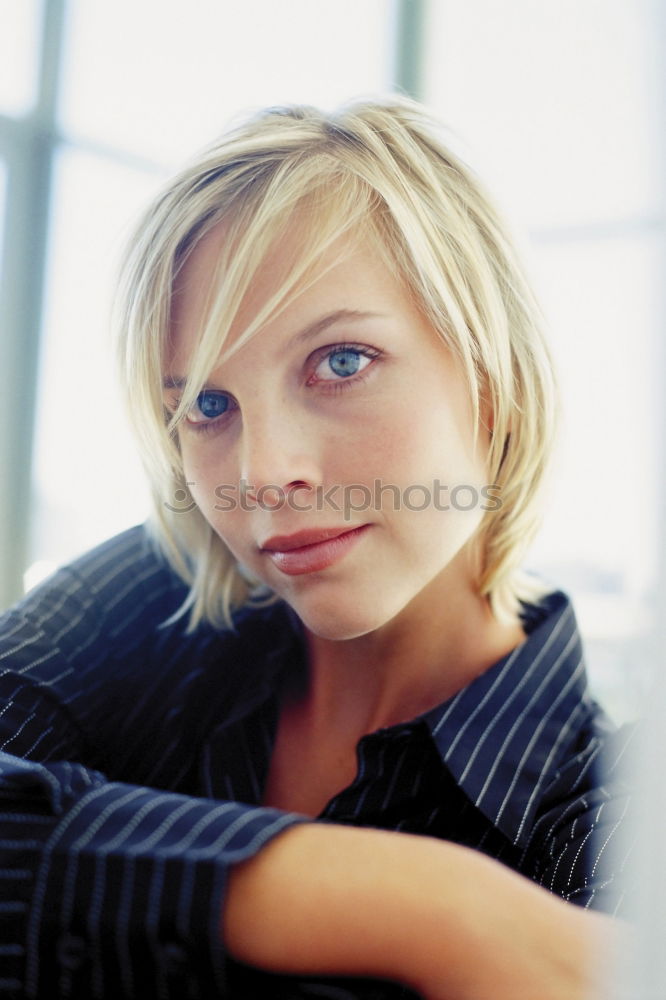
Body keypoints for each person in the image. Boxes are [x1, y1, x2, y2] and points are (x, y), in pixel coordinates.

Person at [0, 97, 632, 999]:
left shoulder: (607, 819)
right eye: (207, 407)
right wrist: (431, 909)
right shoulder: (154, 597)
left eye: (340, 362)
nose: (263, 475)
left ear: (492, 384)